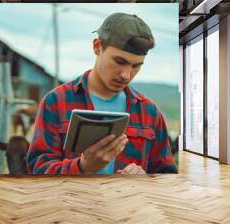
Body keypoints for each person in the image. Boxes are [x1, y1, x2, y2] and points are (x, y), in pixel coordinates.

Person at [27, 12, 177, 175]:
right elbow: (38, 170)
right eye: (120, 61)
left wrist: (145, 179)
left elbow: (167, 175)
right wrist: (83, 167)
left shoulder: (150, 112)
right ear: (97, 46)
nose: (126, 75)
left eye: (136, 66)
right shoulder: (56, 102)